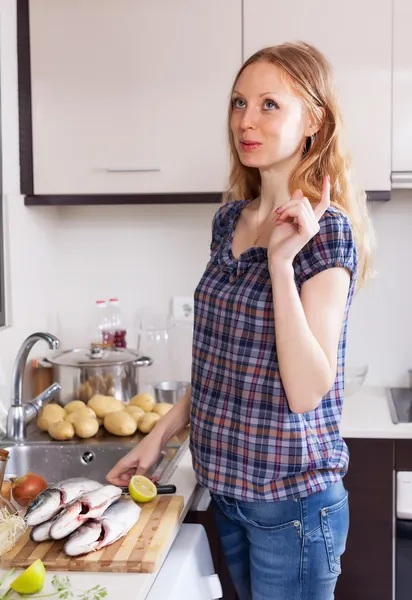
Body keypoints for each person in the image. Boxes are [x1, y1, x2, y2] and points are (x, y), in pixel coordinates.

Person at [107, 41, 374, 600]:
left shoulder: (327, 233)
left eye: (269, 105)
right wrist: (159, 435)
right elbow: (223, 364)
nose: (245, 121)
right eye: (237, 103)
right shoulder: (229, 219)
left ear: (313, 120)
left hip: (293, 506)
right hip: (226, 492)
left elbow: (305, 391)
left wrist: (281, 261)